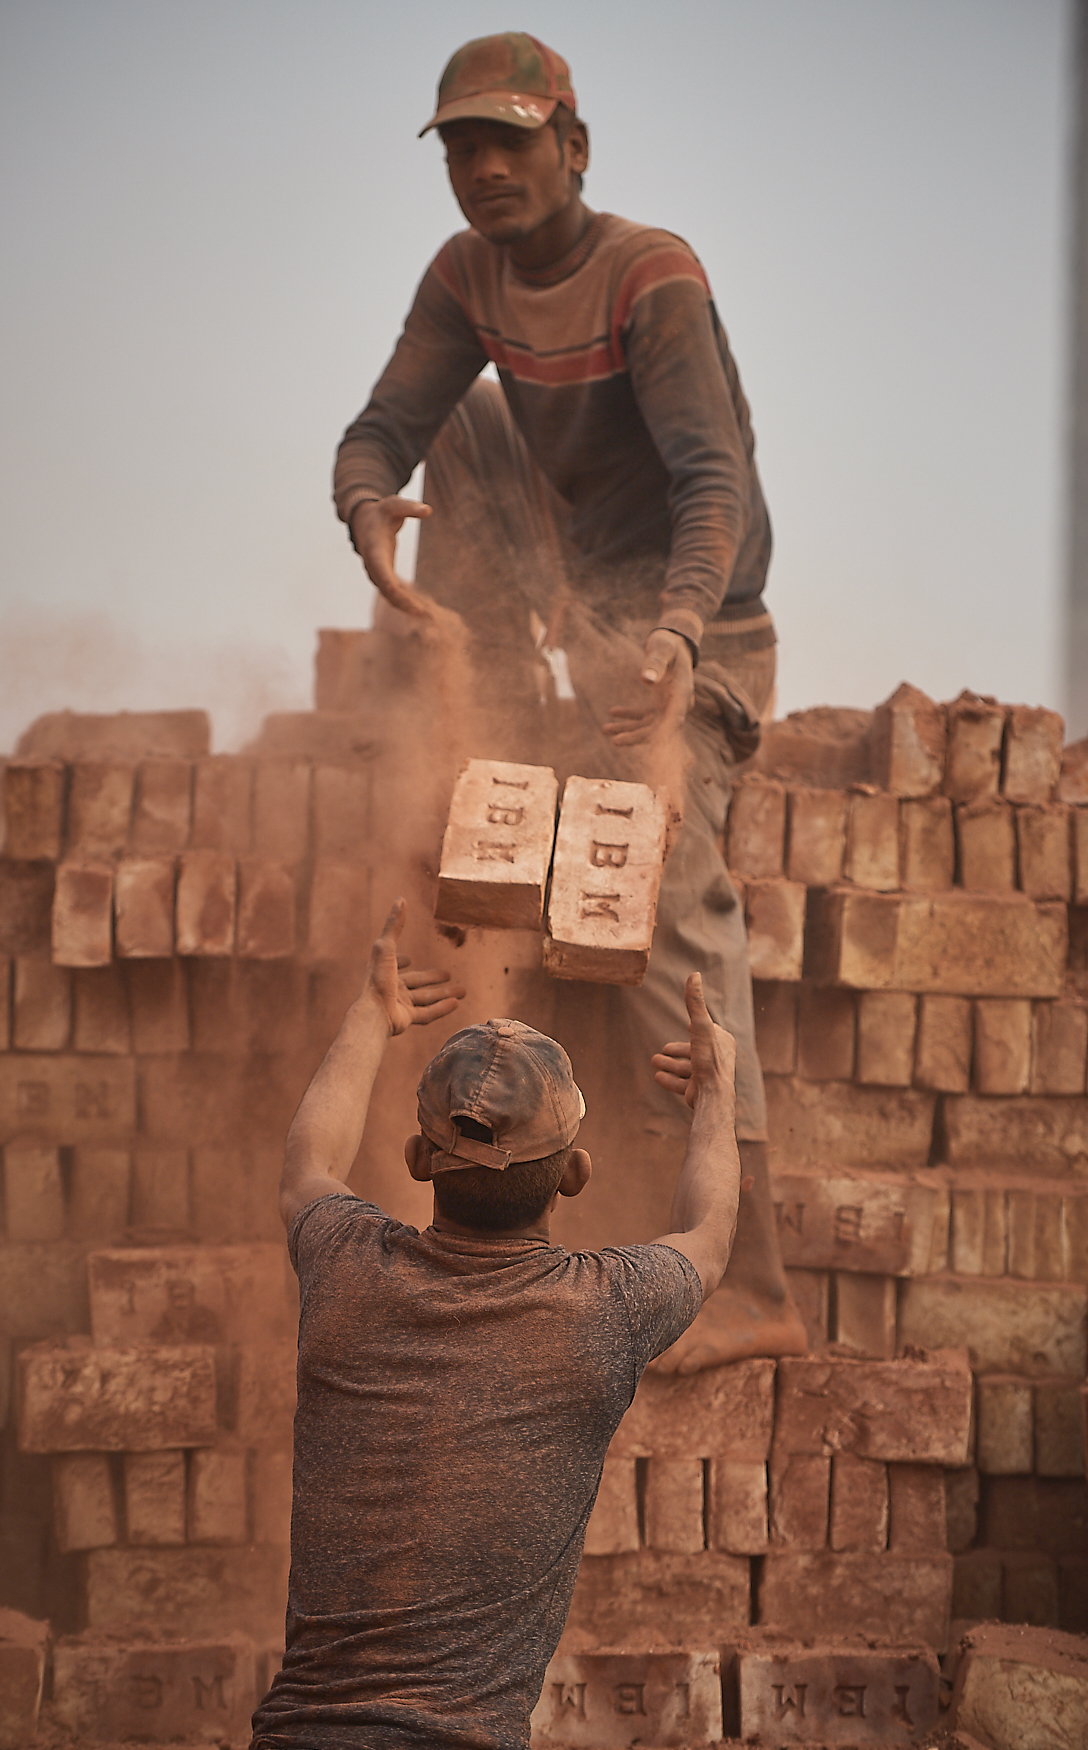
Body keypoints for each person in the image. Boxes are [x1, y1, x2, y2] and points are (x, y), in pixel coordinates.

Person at [332, 32, 806, 1370]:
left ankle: (757, 1281)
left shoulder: (650, 276)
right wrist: (367, 509)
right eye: (461, 147)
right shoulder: (464, 277)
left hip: (697, 634)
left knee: (659, 890)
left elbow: (716, 482)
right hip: (565, 638)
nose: (485, 167)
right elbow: (380, 429)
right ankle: (464, 701)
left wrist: (666, 641)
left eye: (511, 139)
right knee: (465, 426)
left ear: (572, 148)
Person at [249, 898, 741, 1750]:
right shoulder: (606, 1311)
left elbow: (308, 1165)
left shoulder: (343, 1265)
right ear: (575, 1175)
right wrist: (718, 1092)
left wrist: (374, 1013)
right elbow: (710, 1235)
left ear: (415, 1162)